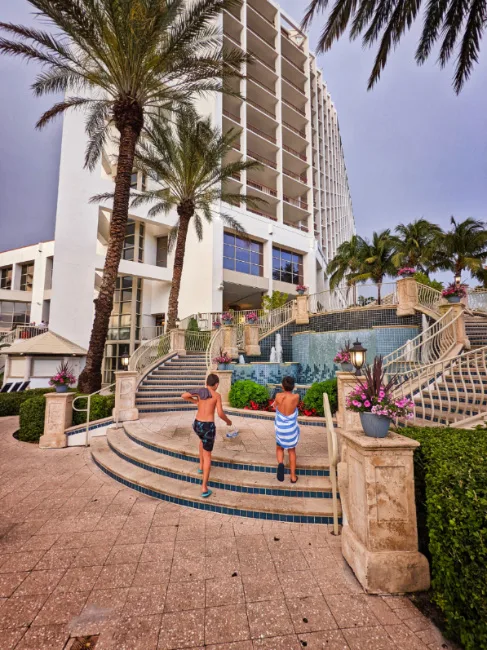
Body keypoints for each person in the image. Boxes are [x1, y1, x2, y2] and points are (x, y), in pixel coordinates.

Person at [181, 373, 232, 498]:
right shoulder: (216, 395)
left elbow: (184, 395)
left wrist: (196, 402)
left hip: (197, 424)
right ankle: (204, 487)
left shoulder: (201, 391)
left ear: (206, 383)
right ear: (216, 384)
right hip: (208, 427)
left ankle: (200, 466)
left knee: (201, 441)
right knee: (208, 455)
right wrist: (228, 421)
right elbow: (220, 413)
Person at [273, 375, 300, 484]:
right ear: (293, 386)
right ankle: (293, 477)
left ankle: (280, 463)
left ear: (282, 386)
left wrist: (278, 401)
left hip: (280, 428)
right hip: (291, 429)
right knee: (291, 450)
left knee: (279, 448)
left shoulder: (278, 396)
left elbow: (274, 407)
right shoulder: (296, 397)